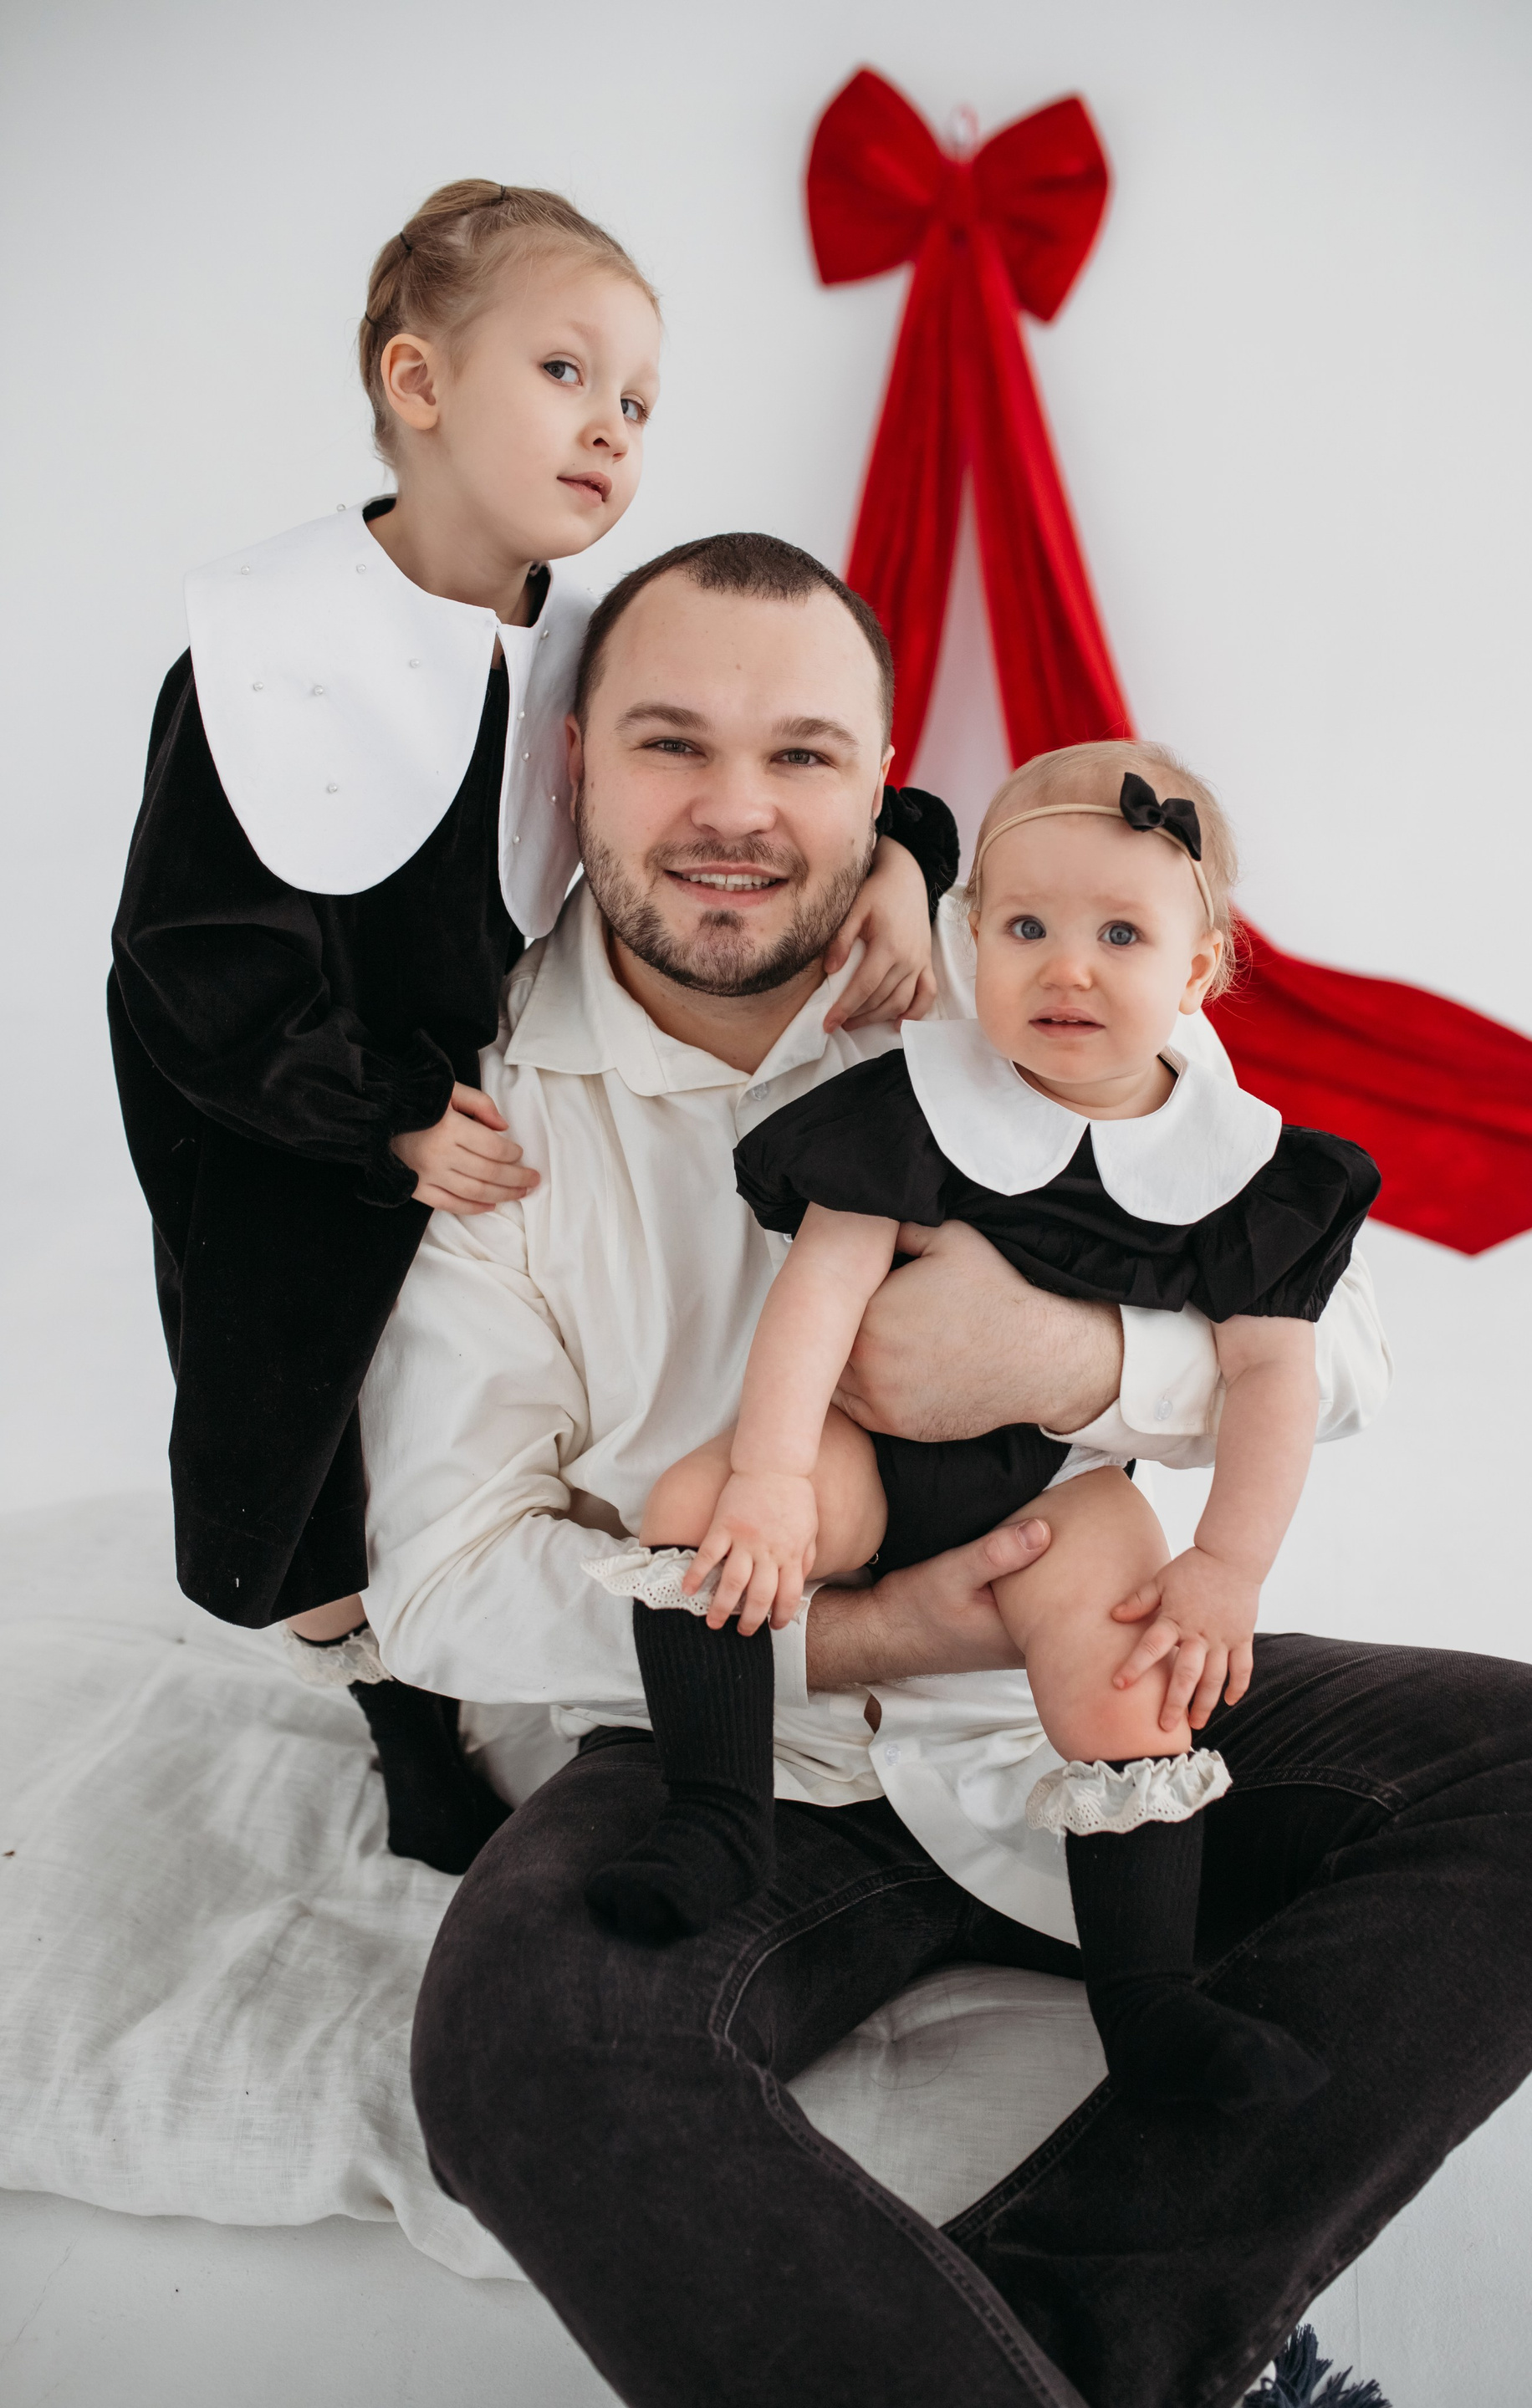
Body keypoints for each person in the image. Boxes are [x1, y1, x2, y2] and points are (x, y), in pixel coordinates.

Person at [350, 532, 1532, 2408]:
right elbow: (441, 1585)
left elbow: (1339, 1347)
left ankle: (1084, 2338)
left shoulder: (1044, 984)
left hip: (1069, 1680)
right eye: (673, 744)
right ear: (578, 762)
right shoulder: (482, 1111)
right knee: (519, 2050)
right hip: (718, 1733)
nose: (736, 812)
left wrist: (1081, 1358)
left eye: (802, 756)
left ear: (882, 787)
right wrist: (864, 1632)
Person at [107, 185, 953, 1874]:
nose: (613, 426)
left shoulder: (576, 641)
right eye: (567, 373)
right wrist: (382, 1114)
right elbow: (186, 961)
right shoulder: (260, 655)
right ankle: (400, 1724)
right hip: (282, 1112)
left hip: (474, 1092)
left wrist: (909, 863)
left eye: (639, 399)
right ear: (419, 383)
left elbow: (783, 757)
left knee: (426, 1425)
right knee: (306, 1460)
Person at [581, 741, 1379, 2121]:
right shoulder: (919, 1104)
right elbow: (821, 1291)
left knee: (1135, 1665)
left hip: (1063, 1490)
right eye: (1026, 929)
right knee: (700, 1510)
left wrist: (1228, 1567)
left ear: (1198, 972)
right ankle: (714, 1816)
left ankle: (1149, 1997)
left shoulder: (1240, 1169)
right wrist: (773, 1473)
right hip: (869, 1458)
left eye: (1119, 935)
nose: (1067, 969)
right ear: (969, 941)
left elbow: (1272, 1380)